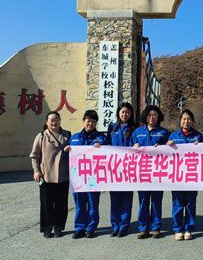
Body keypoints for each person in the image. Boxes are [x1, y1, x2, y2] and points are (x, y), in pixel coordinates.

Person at [29, 111, 71, 238]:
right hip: (46, 175)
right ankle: (47, 228)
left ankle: (59, 227)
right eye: (51, 120)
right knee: (46, 204)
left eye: (57, 119)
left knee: (61, 204)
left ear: (60, 121)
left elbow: (76, 151)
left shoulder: (67, 135)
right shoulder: (41, 136)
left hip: (63, 175)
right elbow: (34, 156)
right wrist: (36, 171)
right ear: (46, 122)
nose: (54, 122)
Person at [132, 104, 169, 239]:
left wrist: (163, 147)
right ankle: (143, 228)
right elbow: (129, 149)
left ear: (158, 117)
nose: (152, 117)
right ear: (145, 117)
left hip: (158, 172)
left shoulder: (164, 132)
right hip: (142, 172)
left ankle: (156, 227)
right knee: (143, 201)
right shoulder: (138, 132)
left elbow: (171, 149)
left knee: (156, 200)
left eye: (154, 115)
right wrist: (134, 146)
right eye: (149, 115)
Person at [167, 109, 203, 241]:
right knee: (177, 204)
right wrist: (167, 146)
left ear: (192, 121)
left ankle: (189, 228)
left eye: (188, 119)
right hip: (177, 175)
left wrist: (200, 146)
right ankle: (178, 229)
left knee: (190, 204)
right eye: (184, 119)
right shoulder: (173, 136)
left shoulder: (198, 136)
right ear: (180, 121)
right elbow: (166, 154)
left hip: (192, 175)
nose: (186, 121)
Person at [70, 110, 107, 239]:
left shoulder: (102, 138)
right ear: (84, 121)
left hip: (93, 177)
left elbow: (108, 155)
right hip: (77, 176)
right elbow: (68, 156)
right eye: (88, 121)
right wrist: (66, 150)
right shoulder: (74, 137)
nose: (90, 123)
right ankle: (79, 228)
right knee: (79, 203)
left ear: (96, 123)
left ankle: (91, 228)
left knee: (92, 203)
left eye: (93, 121)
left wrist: (101, 148)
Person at [106, 102, 136, 238]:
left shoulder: (135, 128)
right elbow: (107, 144)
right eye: (123, 112)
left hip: (129, 168)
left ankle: (124, 226)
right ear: (118, 113)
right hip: (114, 168)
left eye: (127, 112)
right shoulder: (112, 128)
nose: (125, 114)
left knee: (126, 199)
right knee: (115, 199)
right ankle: (115, 225)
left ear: (131, 114)